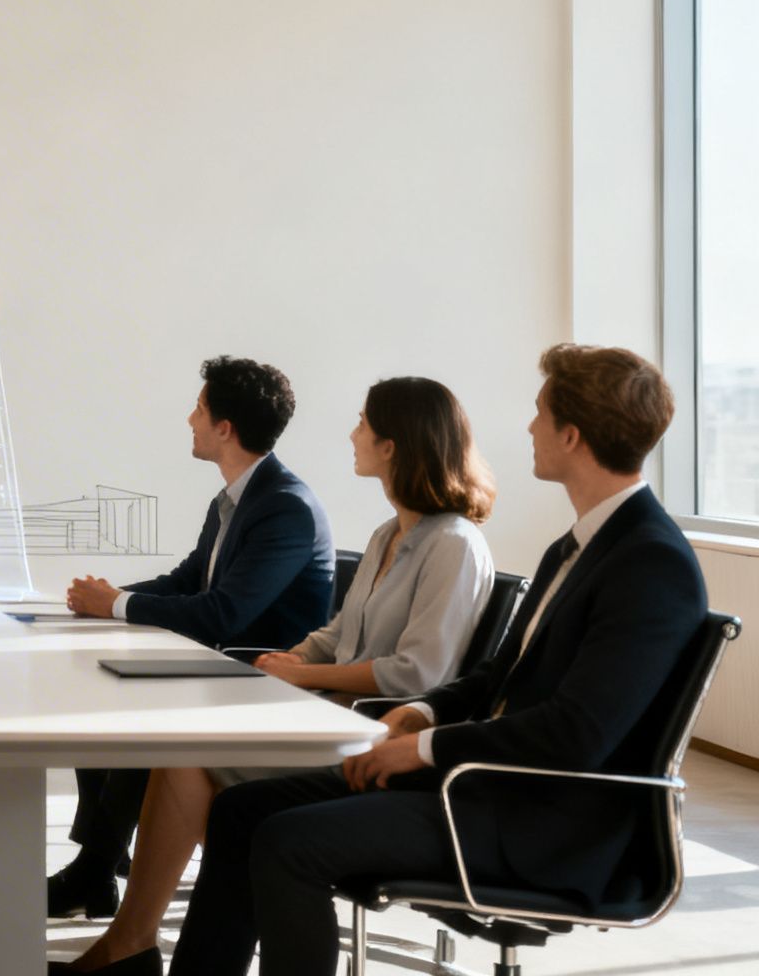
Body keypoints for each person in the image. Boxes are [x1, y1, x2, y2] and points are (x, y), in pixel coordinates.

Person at [166, 344, 709, 976]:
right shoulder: (581, 544)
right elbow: (497, 677)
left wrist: (425, 750)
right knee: (240, 810)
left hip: (542, 822)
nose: (529, 427)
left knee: (289, 842)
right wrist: (420, 713)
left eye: (539, 413)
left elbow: (576, 734)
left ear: (571, 433)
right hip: (491, 787)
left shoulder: (650, 562)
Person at [55, 377, 497, 975]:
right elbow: (339, 633)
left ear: (394, 444)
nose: (352, 434)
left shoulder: (454, 544)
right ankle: (134, 940)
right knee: (186, 757)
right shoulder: (388, 534)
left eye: (364, 423)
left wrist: (311, 676)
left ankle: (133, 942)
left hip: (373, 738)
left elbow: (419, 672)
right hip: (327, 713)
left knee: (191, 761)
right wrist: (292, 658)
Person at [50, 356, 333, 922]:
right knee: (100, 686)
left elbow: (223, 614)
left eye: (199, 410)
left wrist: (118, 605)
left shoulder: (286, 508)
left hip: (261, 678)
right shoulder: (235, 498)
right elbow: (188, 581)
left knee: (139, 711)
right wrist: (108, 600)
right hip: (218, 667)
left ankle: (94, 870)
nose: (189, 419)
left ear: (225, 428)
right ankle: (97, 867)